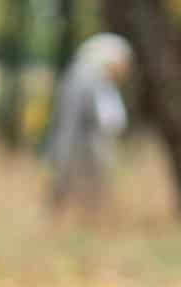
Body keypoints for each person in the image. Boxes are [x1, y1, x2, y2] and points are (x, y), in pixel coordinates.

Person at [45, 33, 134, 212]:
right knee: (79, 201)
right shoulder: (87, 79)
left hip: (80, 152)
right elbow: (105, 120)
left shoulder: (87, 77)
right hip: (82, 154)